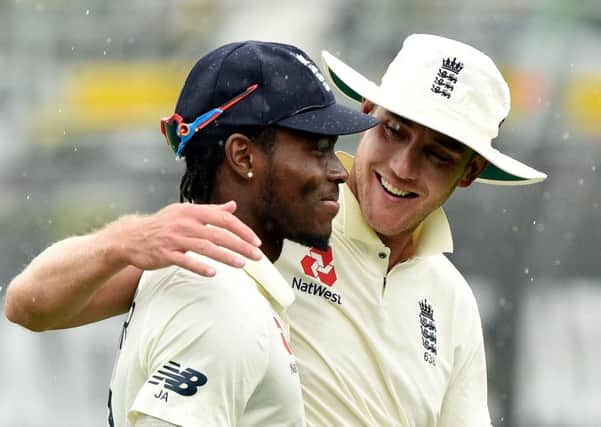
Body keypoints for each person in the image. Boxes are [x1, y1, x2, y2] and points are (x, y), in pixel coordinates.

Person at [5, 34, 547, 426]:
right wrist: (128, 238)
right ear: (366, 112)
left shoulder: (451, 299)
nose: (403, 167)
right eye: (394, 132)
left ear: (470, 172)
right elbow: (32, 305)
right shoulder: (277, 220)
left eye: (436, 155)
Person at [46, 40, 379, 427]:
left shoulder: (205, 272)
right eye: (318, 149)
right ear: (242, 156)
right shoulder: (224, 304)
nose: (338, 170)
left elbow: (27, 305)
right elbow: (27, 306)